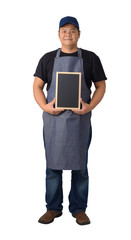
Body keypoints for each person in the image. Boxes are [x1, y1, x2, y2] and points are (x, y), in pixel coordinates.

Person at [33, 16, 107, 225]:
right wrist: (45, 106)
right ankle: (53, 208)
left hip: (80, 121)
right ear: (58, 34)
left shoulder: (91, 58)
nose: (68, 34)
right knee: (52, 167)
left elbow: (100, 85)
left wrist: (90, 106)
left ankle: (79, 209)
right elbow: (37, 86)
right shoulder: (47, 59)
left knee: (80, 167)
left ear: (79, 34)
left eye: (72, 30)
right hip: (53, 121)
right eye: (64, 30)